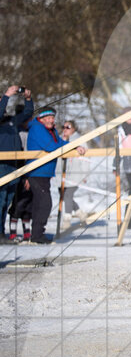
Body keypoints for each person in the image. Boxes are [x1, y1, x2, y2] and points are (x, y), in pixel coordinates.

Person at [26, 106, 85, 244]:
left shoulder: (50, 130)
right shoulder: (37, 128)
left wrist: (75, 146)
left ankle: (36, 234)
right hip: (37, 171)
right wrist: (69, 147)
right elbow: (50, 146)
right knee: (45, 203)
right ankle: (37, 236)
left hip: (44, 173)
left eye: (52, 118)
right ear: (41, 118)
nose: (51, 120)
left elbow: (60, 143)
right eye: (47, 118)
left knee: (41, 203)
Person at [0, 86, 33, 239]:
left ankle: (2, 231)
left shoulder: (11, 120)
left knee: (8, 201)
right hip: (1, 165)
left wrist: (28, 98)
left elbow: (27, 113)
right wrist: (7, 96)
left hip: (13, 165)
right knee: (0, 200)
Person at [60, 120, 89, 223]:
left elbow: (86, 159)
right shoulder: (60, 139)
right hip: (62, 174)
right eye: (63, 127)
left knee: (68, 194)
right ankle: (79, 212)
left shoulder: (80, 140)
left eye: (68, 127)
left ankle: (67, 219)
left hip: (76, 173)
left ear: (73, 129)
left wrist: (85, 174)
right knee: (64, 195)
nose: (65, 129)